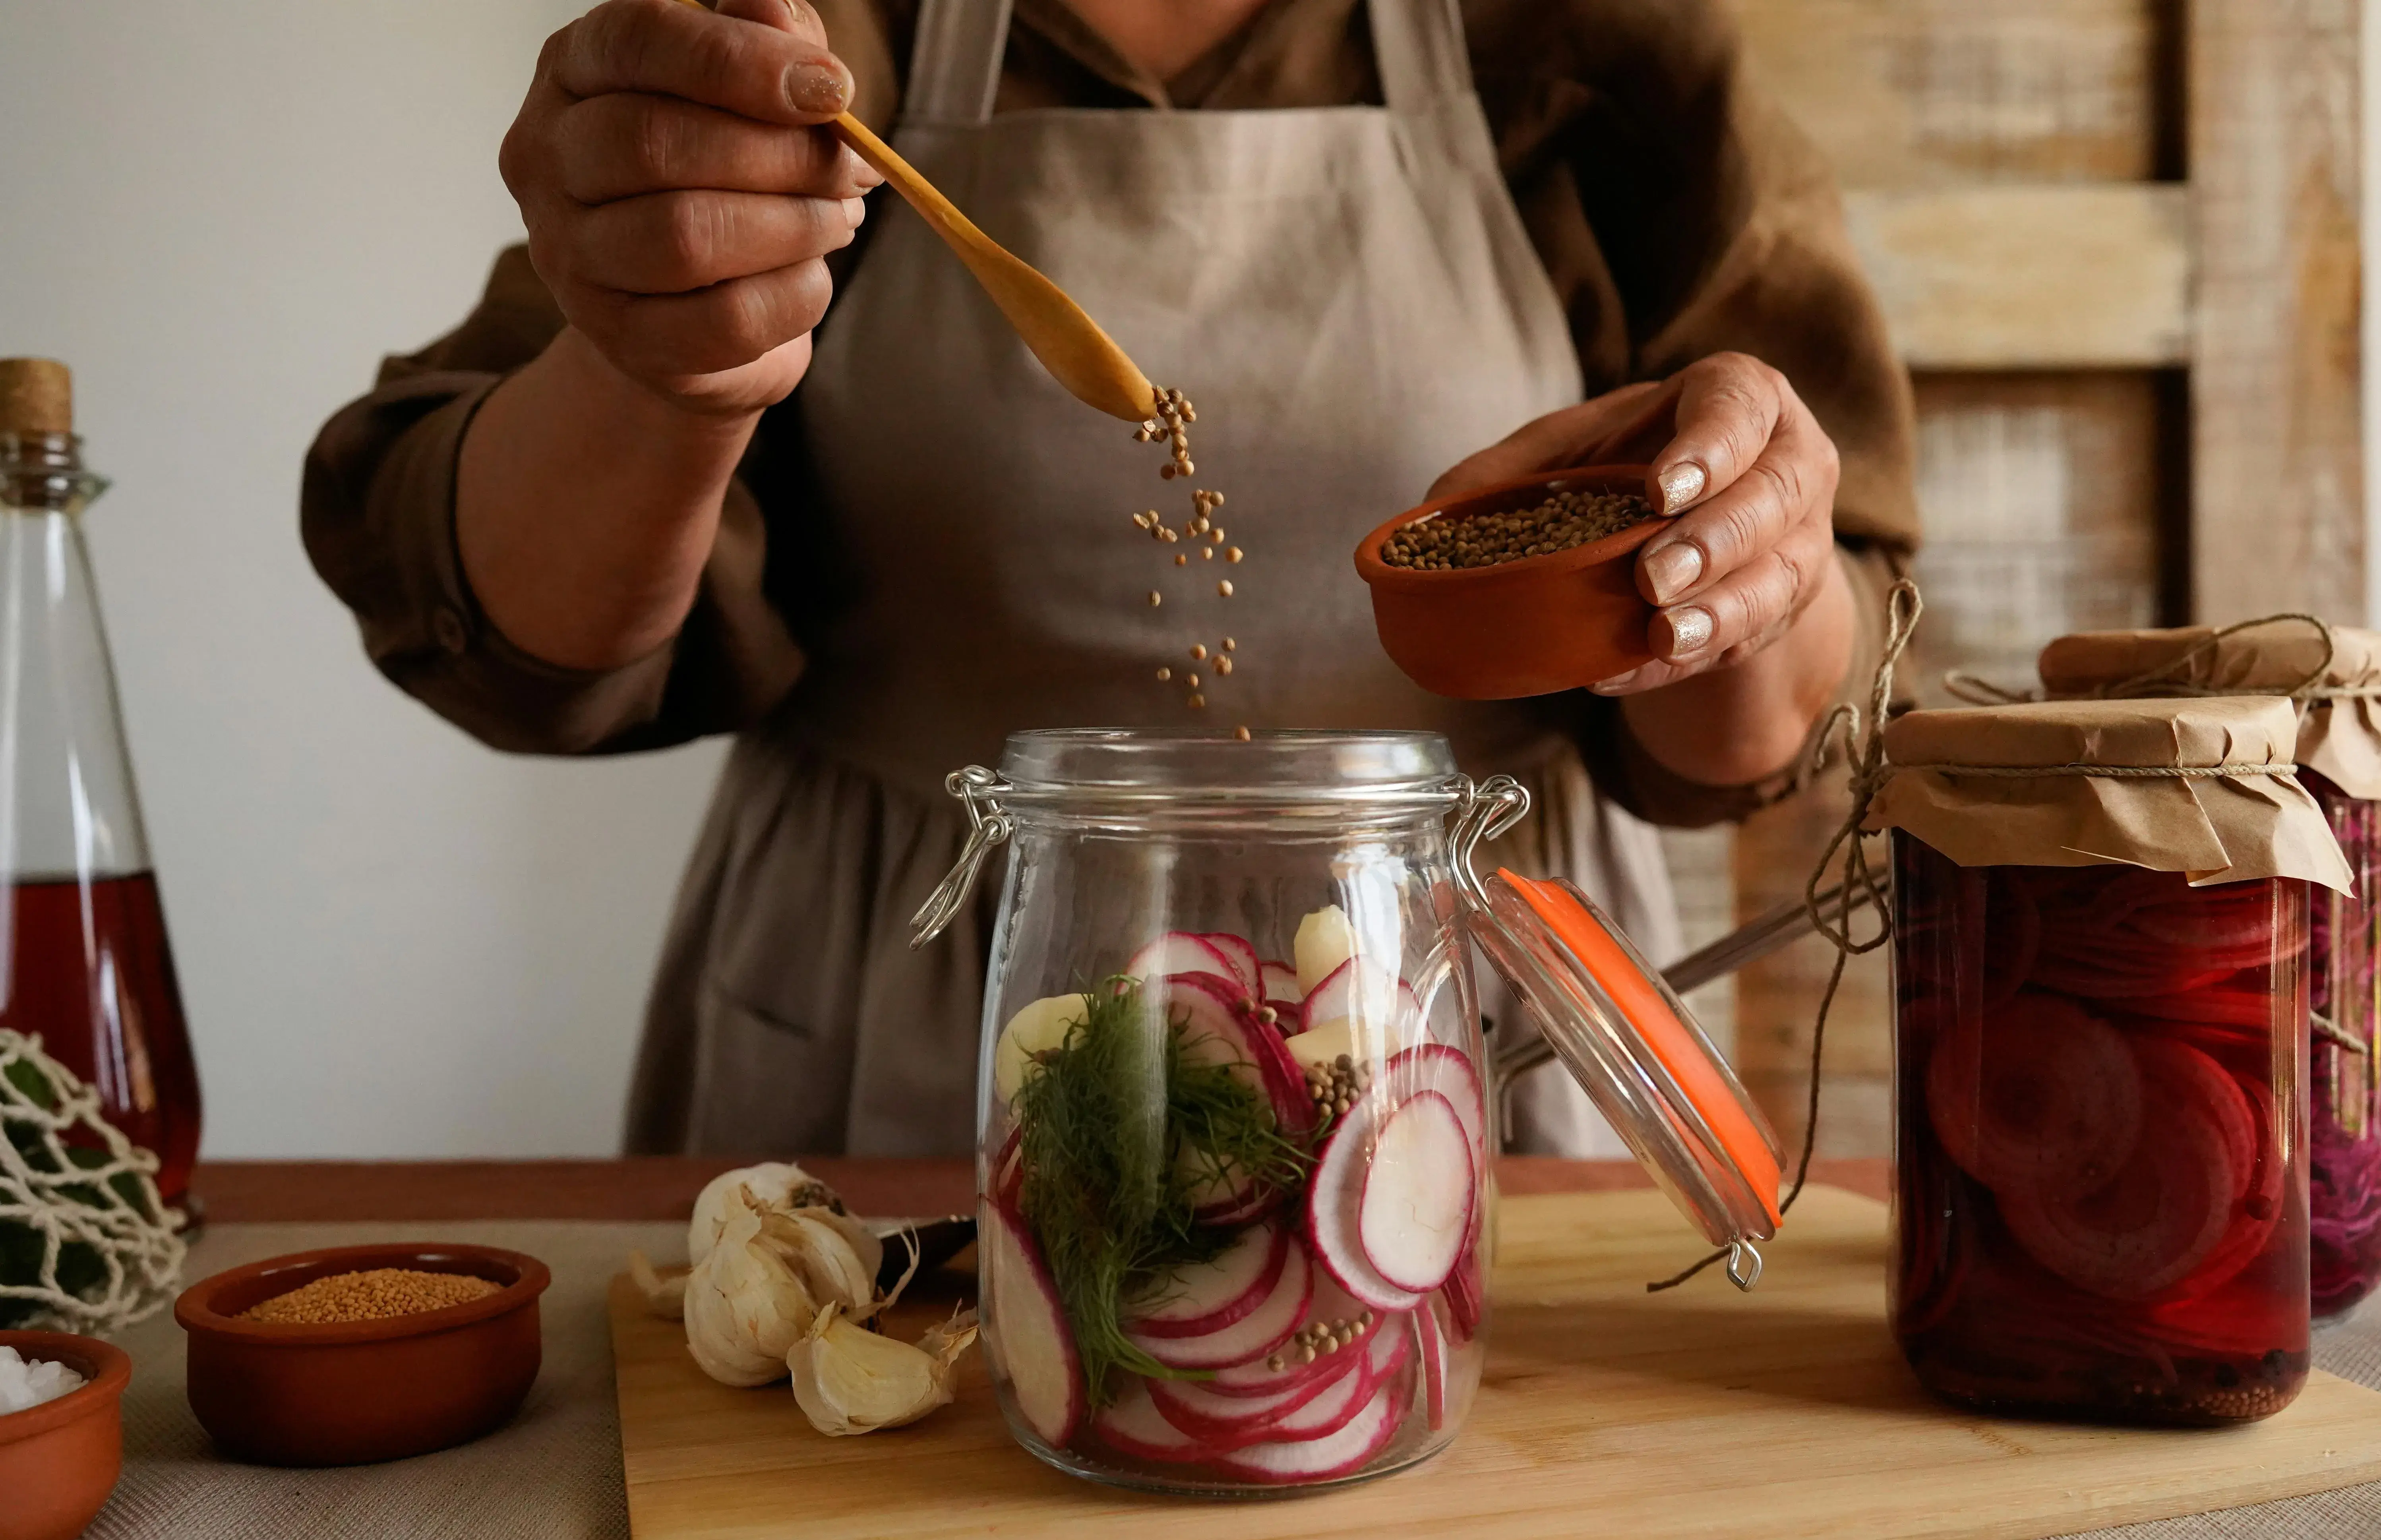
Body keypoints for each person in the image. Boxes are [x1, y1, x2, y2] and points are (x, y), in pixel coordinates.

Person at [303, 0, 1919, 1159]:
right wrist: (661, 365)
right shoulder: (809, 43)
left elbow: (1762, 739)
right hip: (924, 1019)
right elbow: (513, 636)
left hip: (1448, 1013)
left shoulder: (1599, 43)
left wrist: (1730, 563)